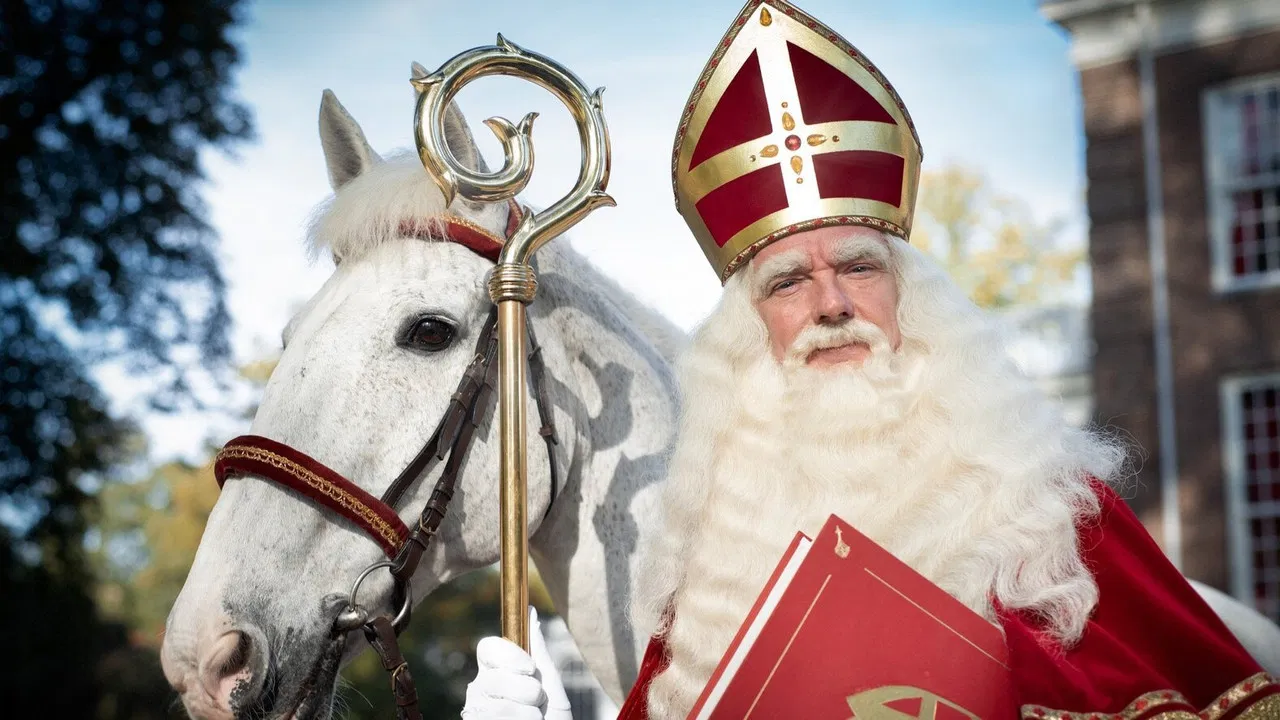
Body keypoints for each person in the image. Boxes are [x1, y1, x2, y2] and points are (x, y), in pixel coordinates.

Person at [461, 1, 1279, 718]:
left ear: (911, 300)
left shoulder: (1055, 517)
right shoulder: (712, 566)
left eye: (858, 267)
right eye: (787, 282)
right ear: (750, 334)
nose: (830, 306)